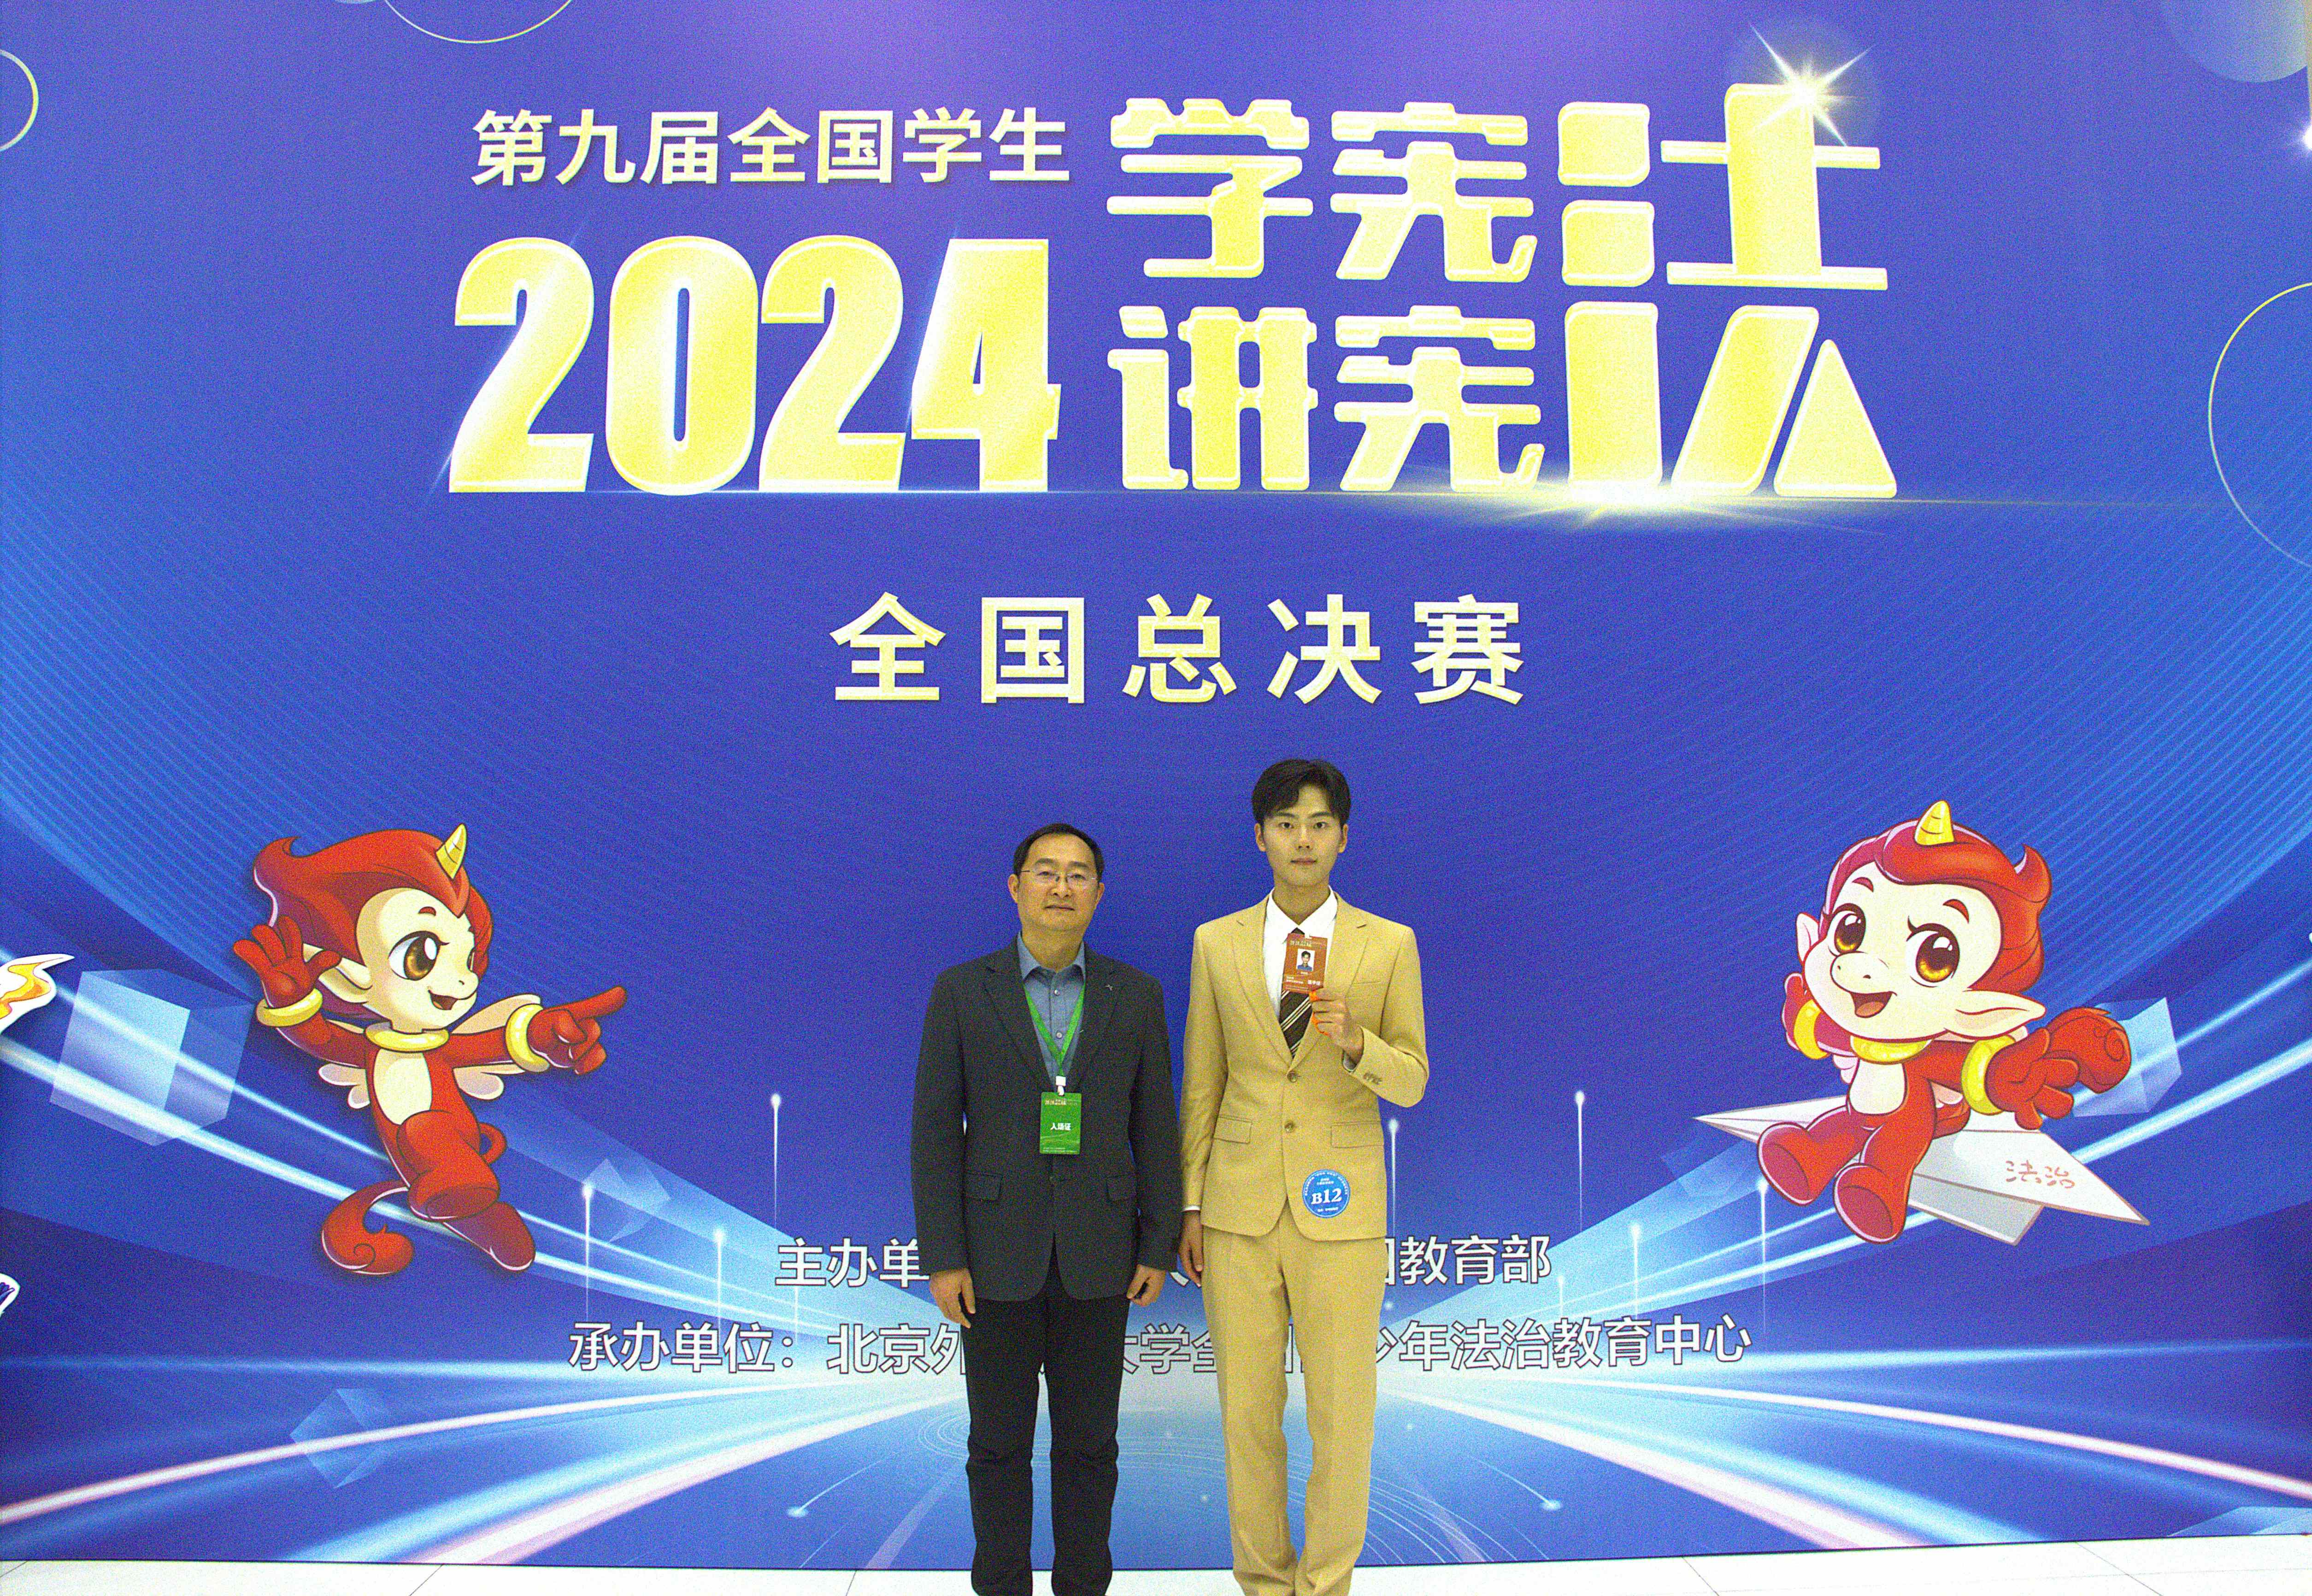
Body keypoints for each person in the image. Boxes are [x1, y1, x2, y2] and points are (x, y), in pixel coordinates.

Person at [1178, 760, 1429, 1596]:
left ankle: (1325, 1584)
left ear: (1344, 838)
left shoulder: (1387, 944)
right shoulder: (1215, 942)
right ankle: (1261, 1581)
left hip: (1342, 1207)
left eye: (1319, 824)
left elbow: (1412, 1080)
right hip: (1237, 1207)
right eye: (1286, 824)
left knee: (1341, 1415)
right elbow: (1203, 1082)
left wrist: (1358, 1044)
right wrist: (1190, 1203)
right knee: (1247, 1416)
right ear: (1260, 837)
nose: (1303, 840)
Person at [912, 822, 1182, 1596]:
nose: (1061, 887)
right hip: (993, 1257)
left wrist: (1157, 1243)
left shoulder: (1135, 994)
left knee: (1090, 1447)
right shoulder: (962, 991)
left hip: (1102, 1255)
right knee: (996, 1446)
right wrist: (944, 1257)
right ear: (1015, 887)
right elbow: (935, 1131)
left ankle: (1083, 1586)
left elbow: (1154, 1127)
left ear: (1098, 893)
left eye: (1077, 874)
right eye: (1045, 872)